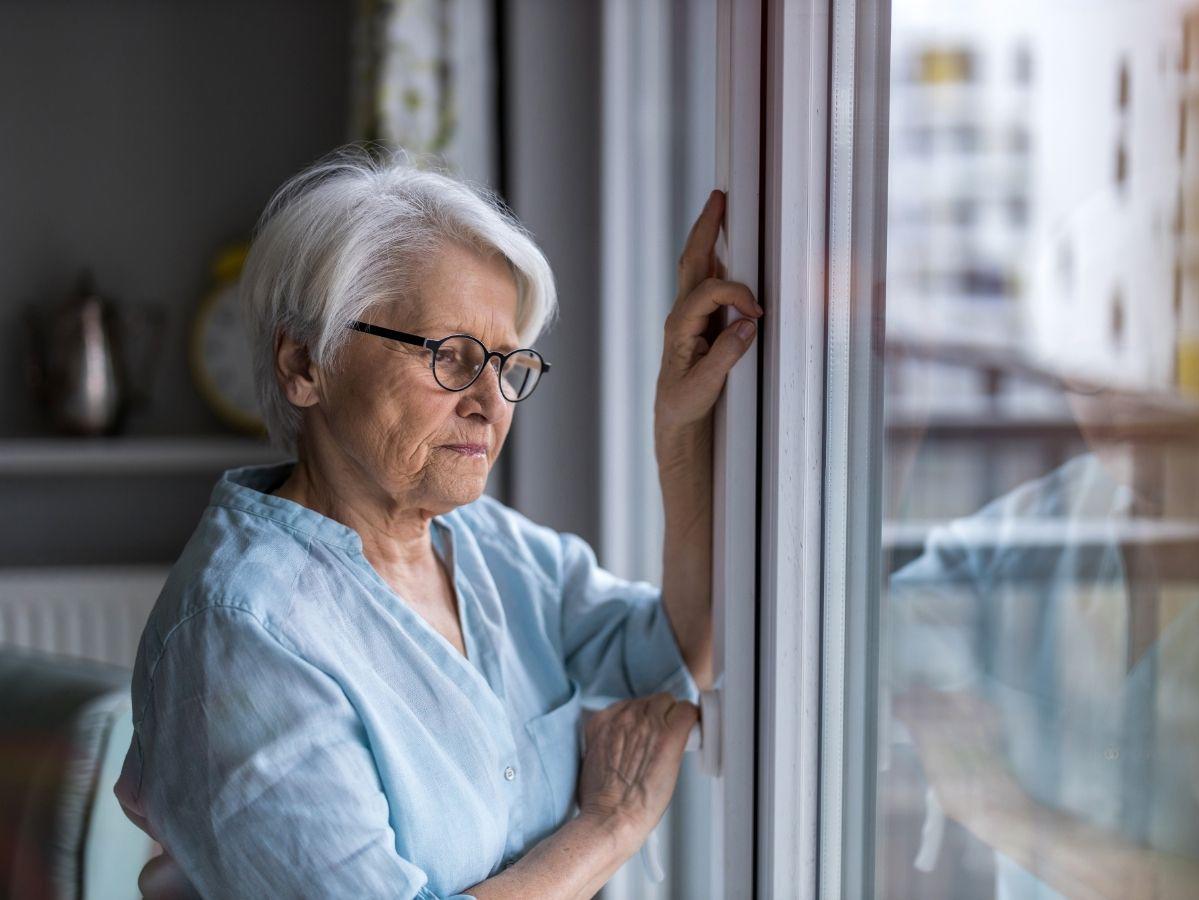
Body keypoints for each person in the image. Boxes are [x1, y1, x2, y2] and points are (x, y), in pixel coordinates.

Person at [112, 148, 762, 898]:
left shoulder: (485, 545)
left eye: (510, 365)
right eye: (450, 356)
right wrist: (608, 827)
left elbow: (681, 652)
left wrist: (679, 432)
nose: (491, 401)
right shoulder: (241, 634)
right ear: (304, 365)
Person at [889, 385, 1199, 898]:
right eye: (1085, 380)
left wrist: (1004, 815)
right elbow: (759, 650)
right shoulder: (1038, 524)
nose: (1117, 400)